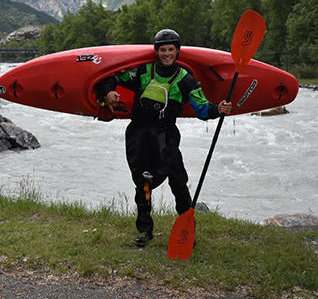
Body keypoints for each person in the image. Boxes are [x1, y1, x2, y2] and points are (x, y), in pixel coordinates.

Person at [96, 29, 232, 247]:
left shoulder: (185, 80)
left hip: (166, 137)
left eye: (171, 49)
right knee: (144, 185)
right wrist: (108, 93)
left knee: (178, 182)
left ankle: (187, 232)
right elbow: (111, 78)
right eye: (163, 50)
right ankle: (145, 231)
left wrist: (219, 108)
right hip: (140, 135)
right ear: (156, 51)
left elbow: (202, 109)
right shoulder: (143, 71)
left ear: (177, 51)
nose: (167, 54)